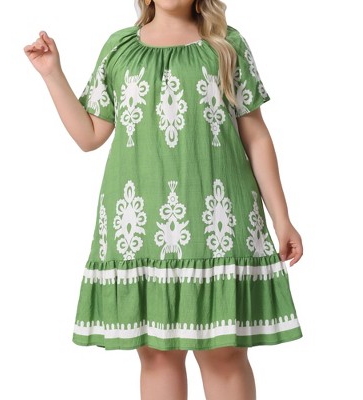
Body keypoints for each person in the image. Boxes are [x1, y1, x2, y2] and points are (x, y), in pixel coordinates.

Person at [24, 0, 303, 398]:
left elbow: (256, 136)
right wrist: (53, 74)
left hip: (218, 225)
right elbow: (89, 135)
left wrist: (282, 218)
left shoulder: (226, 44)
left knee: (224, 354)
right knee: (156, 356)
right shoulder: (119, 48)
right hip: (140, 227)